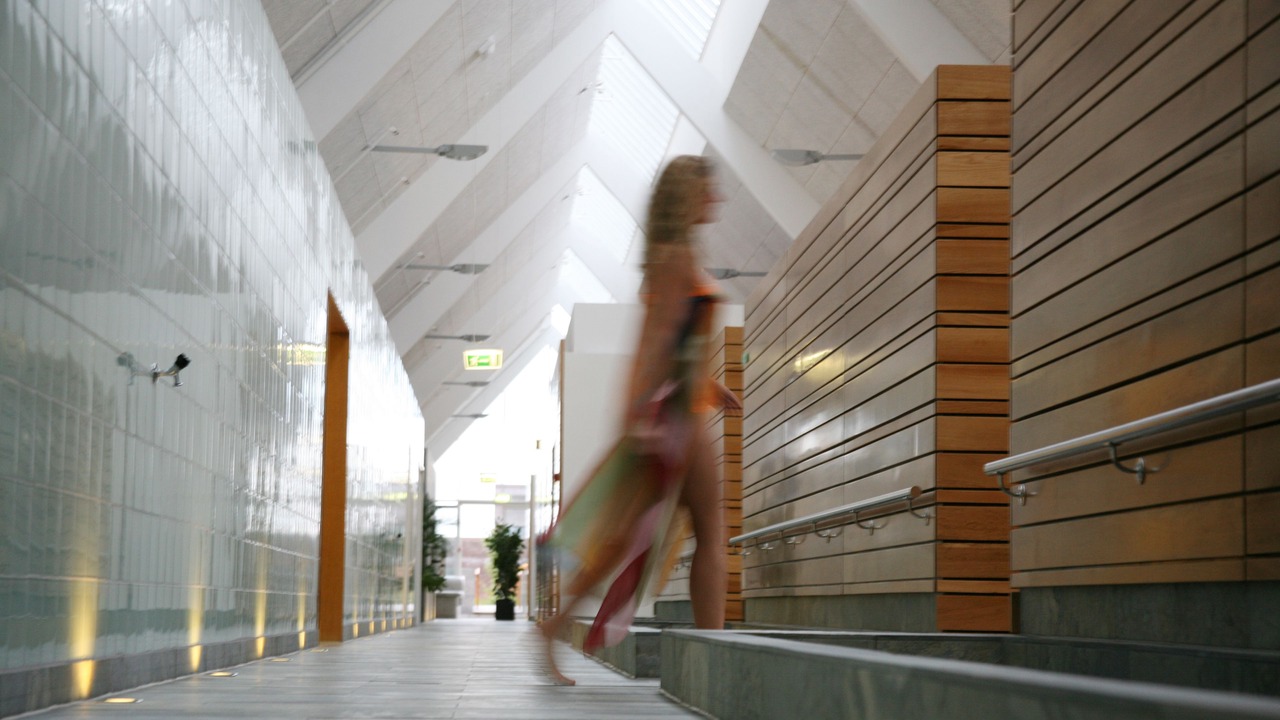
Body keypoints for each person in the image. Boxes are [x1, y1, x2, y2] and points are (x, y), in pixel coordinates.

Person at [538, 155, 740, 685]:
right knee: (707, 534)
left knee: (628, 538)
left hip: (675, 408)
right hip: (672, 416)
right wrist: (642, 415)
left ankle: (555, 625)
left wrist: (706, 385)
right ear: (687, 196)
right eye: (708, 190)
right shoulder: (675, 261)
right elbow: (653, 346)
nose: (716, 198)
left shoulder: (674, 256)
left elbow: (676, 347)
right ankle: (713, 653)